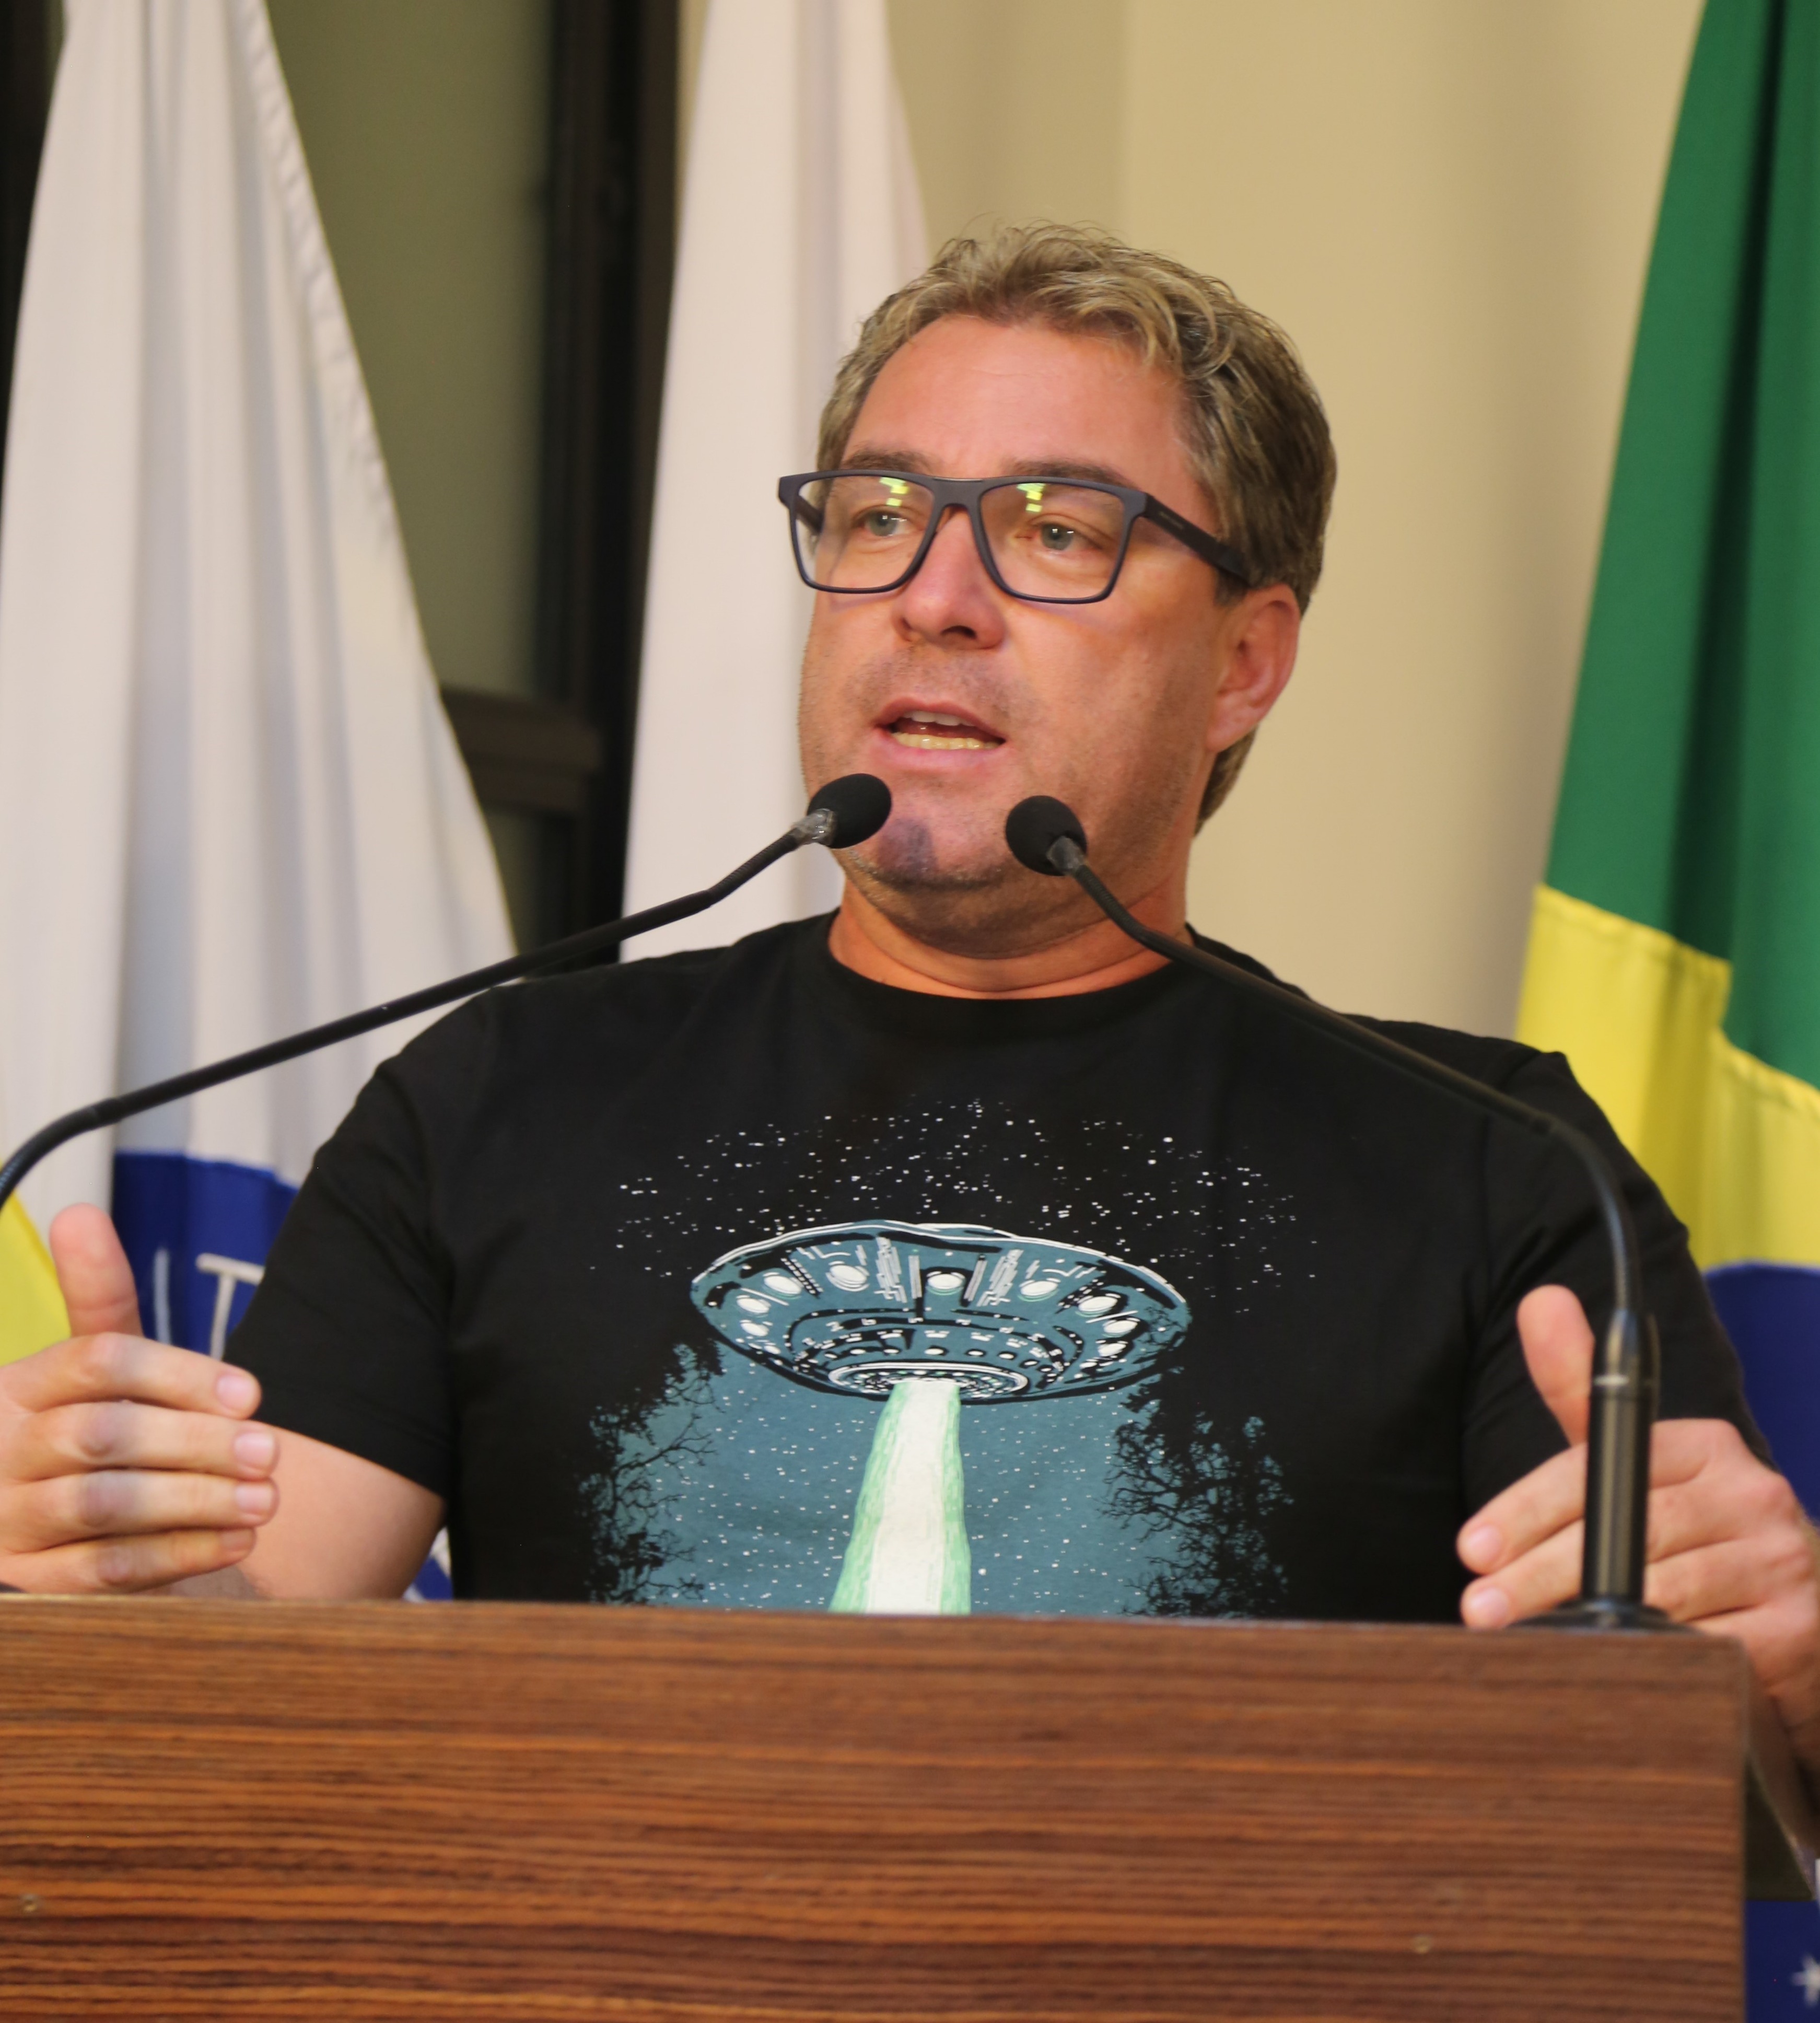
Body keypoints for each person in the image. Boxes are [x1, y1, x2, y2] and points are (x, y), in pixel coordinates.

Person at [6, 225, 1817, 1774]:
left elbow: (1715, 1777)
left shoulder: (1488, 1167)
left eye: (1054, 528)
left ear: (1244, 663)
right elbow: (237, 1663)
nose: (933, 596)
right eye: (878, 514)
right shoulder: (499, 1095)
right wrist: (122, 1582)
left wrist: (1787, 1670)